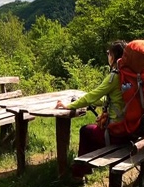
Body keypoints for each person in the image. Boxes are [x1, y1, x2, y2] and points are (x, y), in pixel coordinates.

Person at [55, 40, 129, 179]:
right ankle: (86, 168)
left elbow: (91, 96)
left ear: (114, 57)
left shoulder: (115, 76)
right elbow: (110, 99)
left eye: (109, 53)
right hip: (131, 129)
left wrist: (69, 106)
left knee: (86, 131)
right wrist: (92, 102)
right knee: (90, 130)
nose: (107, 56)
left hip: (117, 134)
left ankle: (78, 173)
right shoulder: (128, 76)